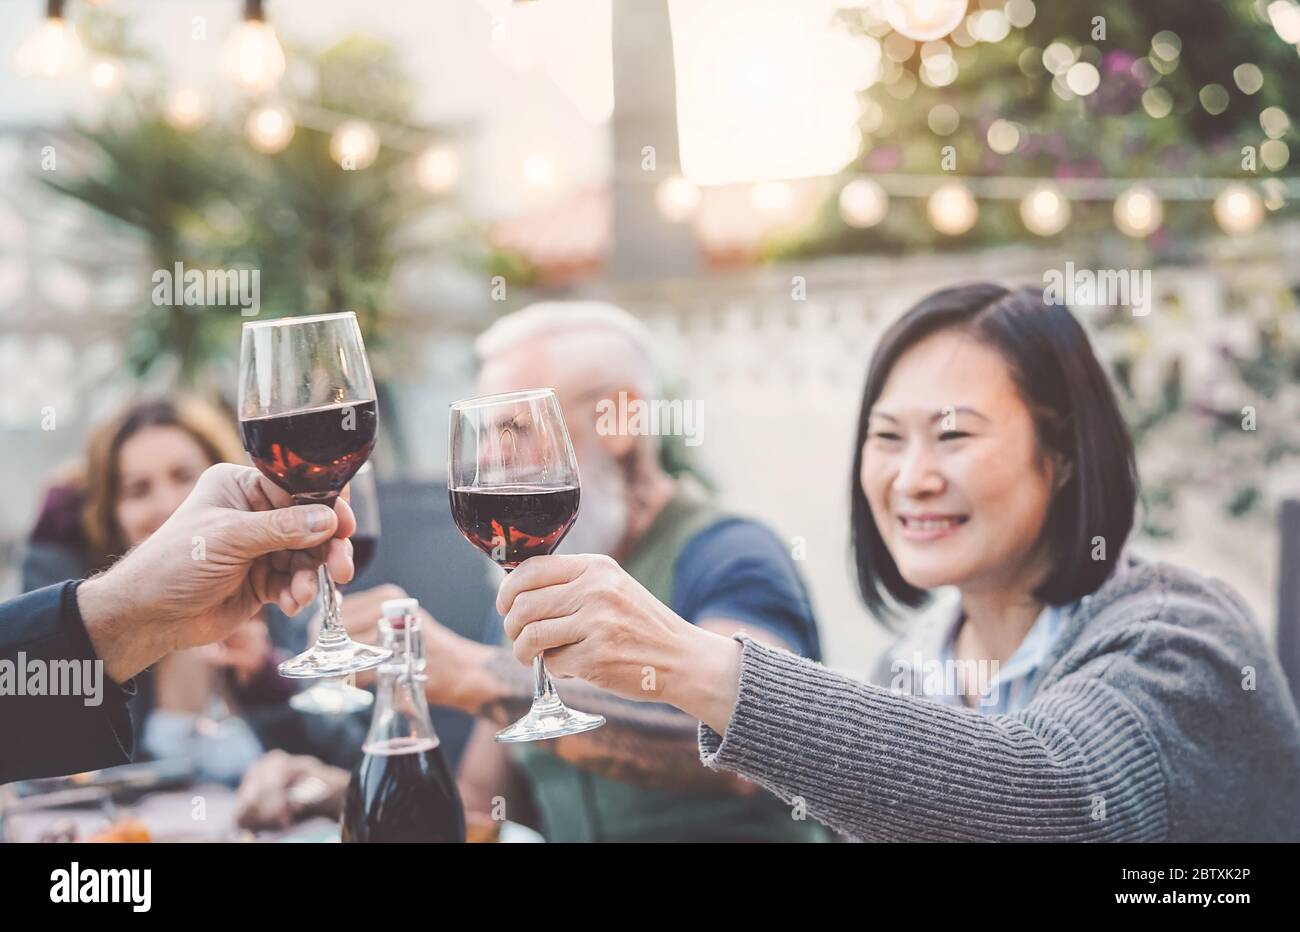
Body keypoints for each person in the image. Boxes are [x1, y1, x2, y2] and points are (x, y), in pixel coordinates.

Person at [495, 284, 1300, 842]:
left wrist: (688, 663)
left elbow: (1056, 800)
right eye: (887, 438)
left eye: (953, 435)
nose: (911, 476)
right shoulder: (913, 663)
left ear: (1059, 455)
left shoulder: (1181, 638)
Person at [254, 301, 830, 842]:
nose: (487, 465)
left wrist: (473, 675)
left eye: (514, 431)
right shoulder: (533, 578)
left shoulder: (729, 555)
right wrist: (338, 795)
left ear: (620, 418)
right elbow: (480, 805)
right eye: (481, 436)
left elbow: (749, 750)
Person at [20, 398, 373, 776]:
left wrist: (265, 681)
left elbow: (352, 754)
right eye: (138, 490)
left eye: (184, 476)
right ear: (112, 514)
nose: (168, 505)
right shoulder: (111, 630)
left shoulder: (279, 583)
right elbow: (55, 765)